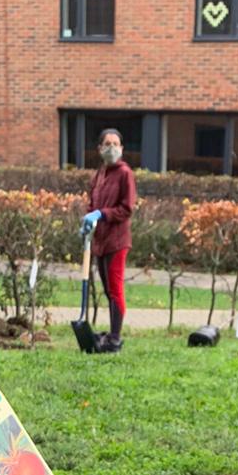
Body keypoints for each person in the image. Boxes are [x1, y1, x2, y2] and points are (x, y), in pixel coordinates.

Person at [81, 128, 137, 355]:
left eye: (116, 144)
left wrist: (102, 214)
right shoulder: (100, 174)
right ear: (100, 148)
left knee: (115, 290)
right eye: (107, 143)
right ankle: (111, 334)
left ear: (122, 149)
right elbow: (92, 203)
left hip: (117, 241)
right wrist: (87, 220)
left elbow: (127, 208)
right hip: (100, 241)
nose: (112, 148)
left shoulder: (125, 174)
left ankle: (115, 339)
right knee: (107, 289)